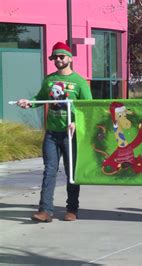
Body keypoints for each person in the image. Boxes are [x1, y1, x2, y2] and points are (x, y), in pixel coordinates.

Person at [16, 42, 93, 222]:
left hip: (70, 135)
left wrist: (76, 123)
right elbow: (40, 98)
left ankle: (72, 209)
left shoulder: (80, 82)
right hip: (52, 133)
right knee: (49, 170)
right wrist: (29, 102)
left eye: (61, 56)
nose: (58, 60)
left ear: (70, 58)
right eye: (55, 57)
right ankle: (45, 211)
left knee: (71, 172)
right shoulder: (49, 80)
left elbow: (88, 109)